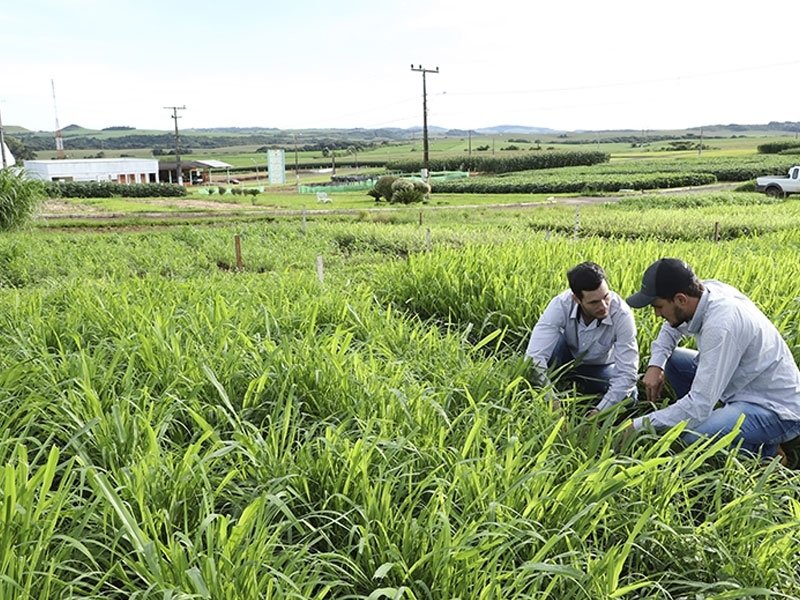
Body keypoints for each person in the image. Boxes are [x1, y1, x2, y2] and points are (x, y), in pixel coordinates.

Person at [626, 258, 800, 461]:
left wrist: (636, 426)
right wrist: (655, 364)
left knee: (693, 437)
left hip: (774, 408)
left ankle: (769, 456)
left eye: (658, 306)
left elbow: (699, 404)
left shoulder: (720, 326)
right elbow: (670, 328)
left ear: (681, 299)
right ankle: (705, 418)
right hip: (742, 383)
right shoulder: (704, 292)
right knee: (673, 361)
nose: (656, 314)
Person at [525, 261, 639, 412]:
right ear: (577, 300)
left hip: (599, 367)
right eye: (594, 302)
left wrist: (600, 412)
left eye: (606, 297)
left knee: (630, 397)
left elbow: (627, 373)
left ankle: (583, 388)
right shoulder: (560, 304)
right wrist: (551, 401)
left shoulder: (622, 314)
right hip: (565, 356)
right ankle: (562, 380)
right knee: (539, 359)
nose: (604, 306)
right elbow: (534, 358)